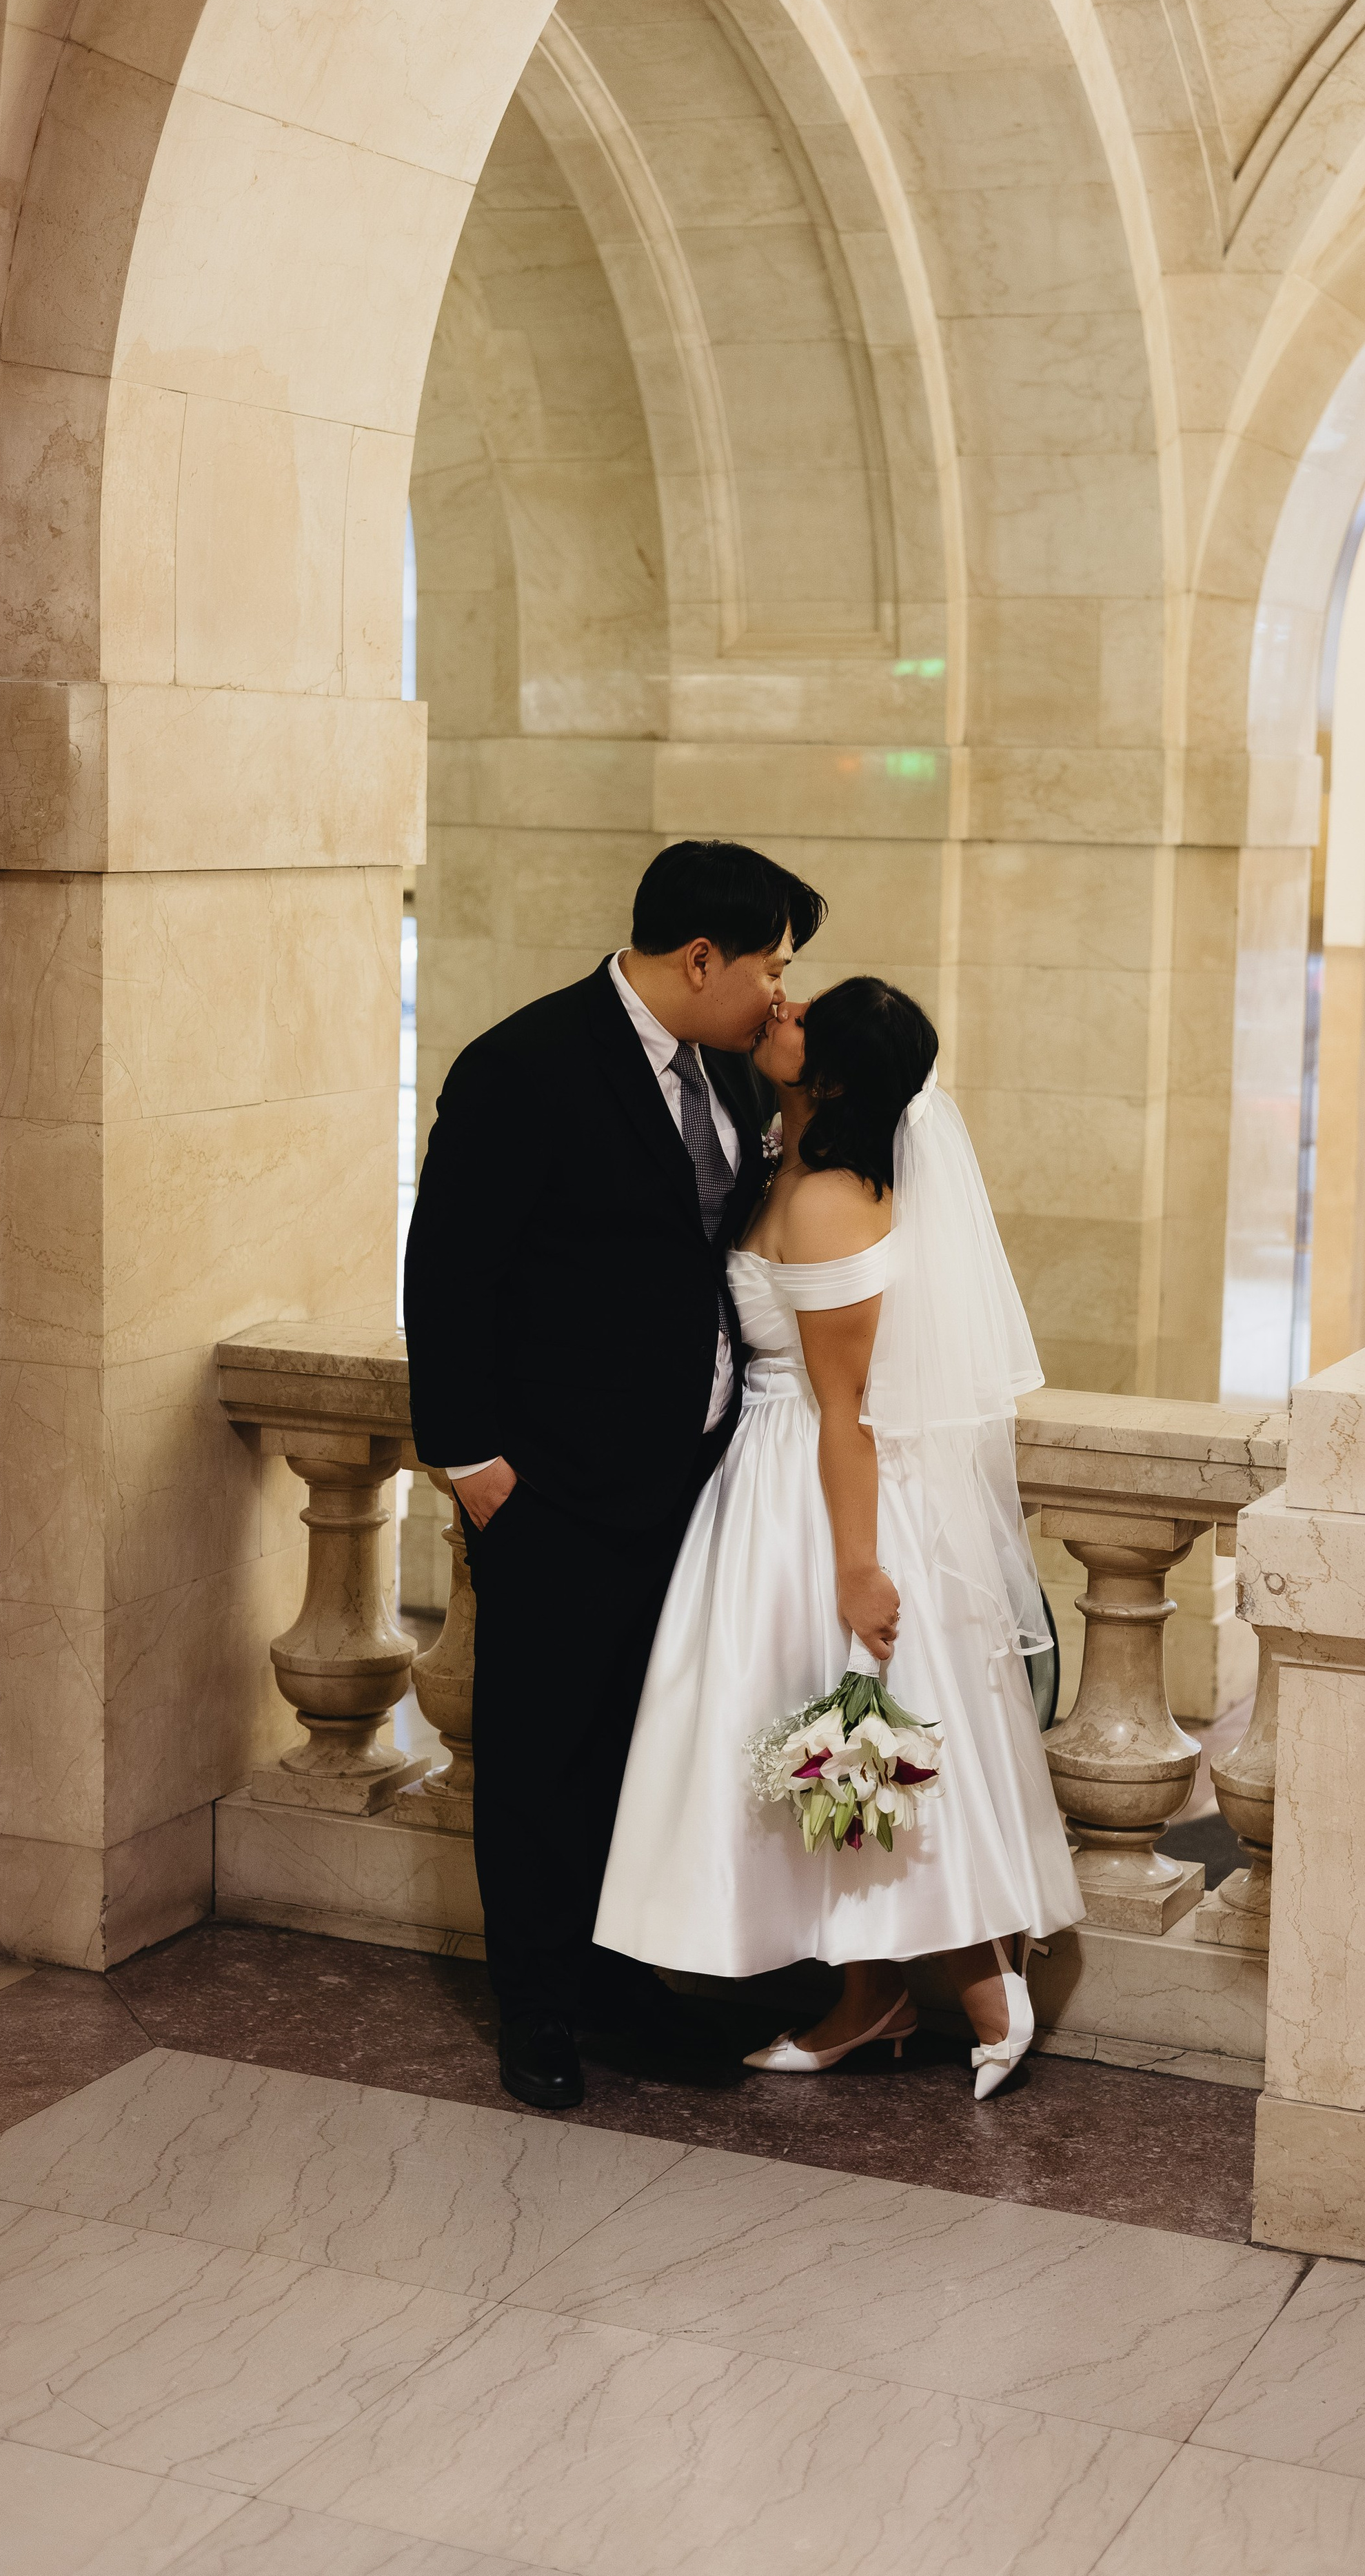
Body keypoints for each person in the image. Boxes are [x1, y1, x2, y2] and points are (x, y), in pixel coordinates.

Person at [595, 978, 1082, 2098]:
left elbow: (844, 1411)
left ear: (838, 1074)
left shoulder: (825, 1200)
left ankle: (963, 1986)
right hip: (770, 1482)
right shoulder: (789, 1161)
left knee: (845, 1736)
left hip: (813, 1491)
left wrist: (858, 1570)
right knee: (808, 1742)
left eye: (803, 1016)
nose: (779, 1008)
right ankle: (874, 1996)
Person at [403, 839, 825, 2109]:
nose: (782, 996)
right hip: (556, 1494)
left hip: (691, 1483)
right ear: (703, 958)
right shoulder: (522, 1066)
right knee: (539, 1758)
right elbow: (451, 1273)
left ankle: (616, 1978)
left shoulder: (729, 1068)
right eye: (772, 969)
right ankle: (536, 2010)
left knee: (641, 1751)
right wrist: (473, 1464)